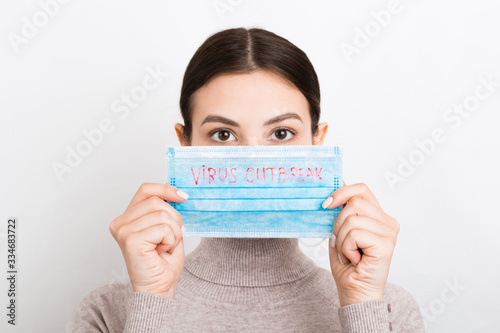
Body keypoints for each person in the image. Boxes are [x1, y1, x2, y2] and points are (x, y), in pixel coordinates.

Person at [73, 27, 425, 332]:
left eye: (282, 133)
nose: (254, 161)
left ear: (317, 143)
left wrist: (361, 306)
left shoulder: (387, 309)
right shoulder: (111, 311)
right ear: (186, 144)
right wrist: (152, 301)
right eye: (223, 134)